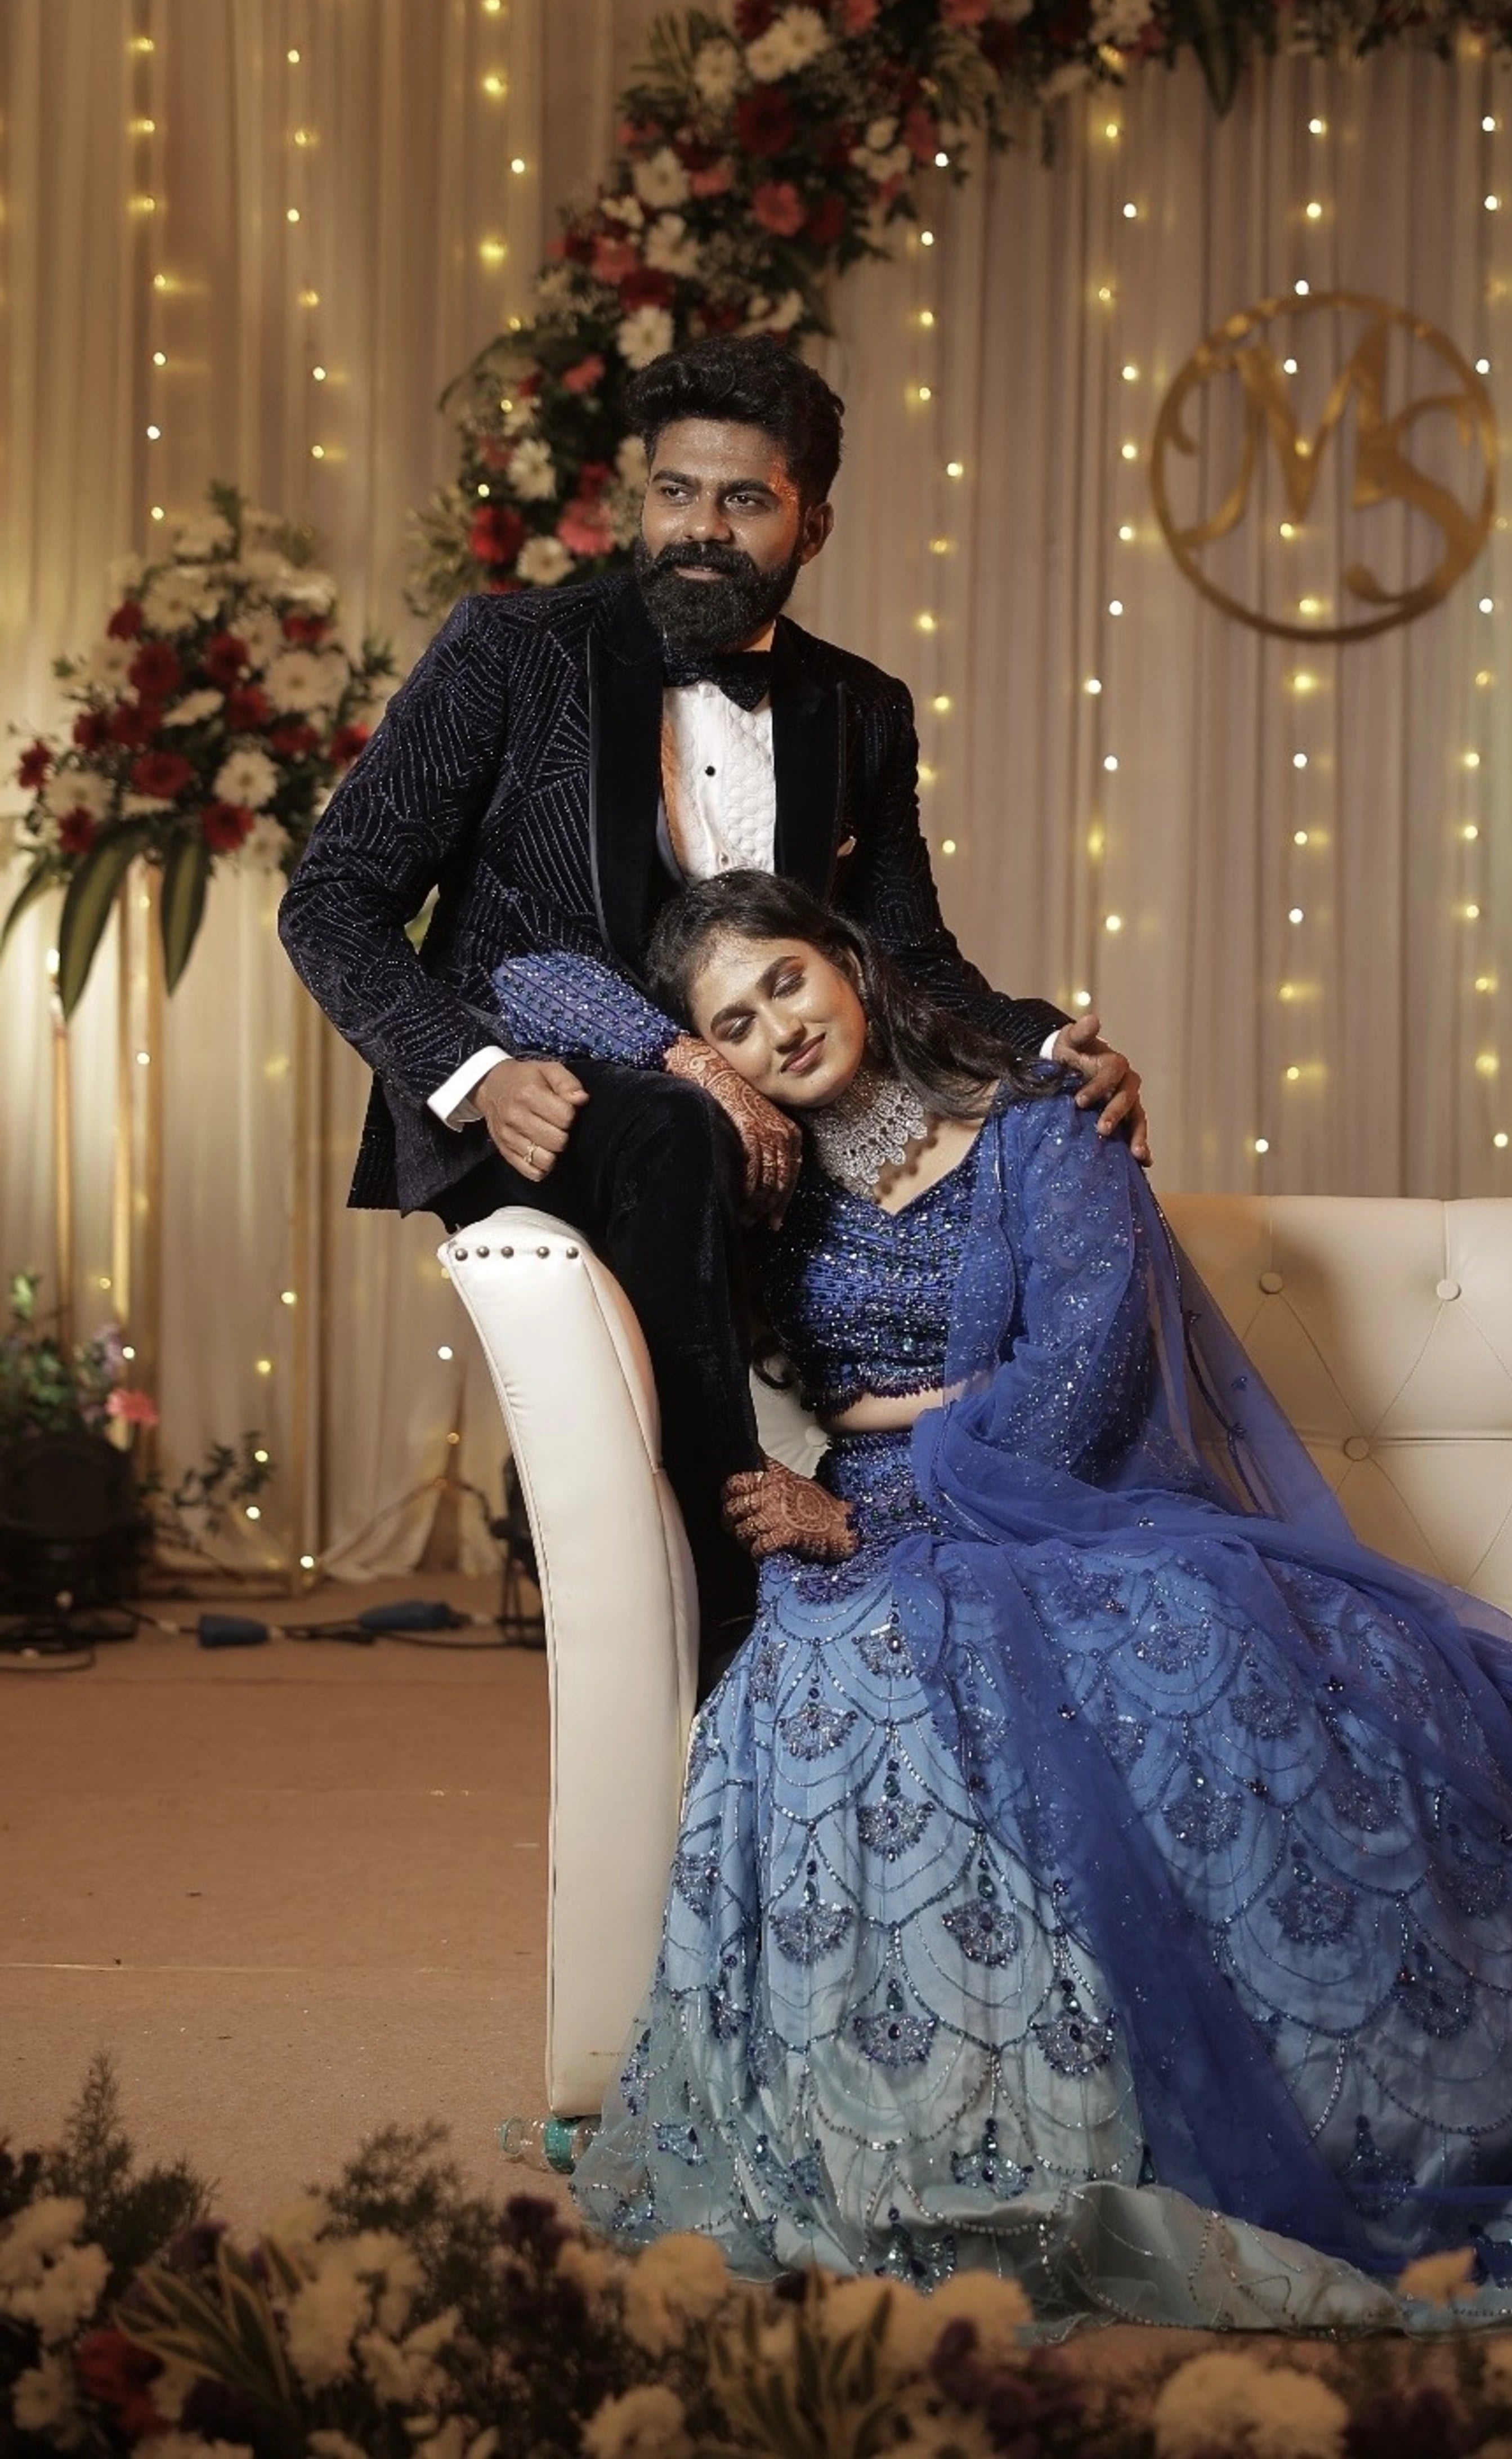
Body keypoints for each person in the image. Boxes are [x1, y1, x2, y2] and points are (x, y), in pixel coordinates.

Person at [489, 873, 1512, 2334]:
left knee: (1199, 1659)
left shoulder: (1041, 1127)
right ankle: (929, 2151)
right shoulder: (750, 1173)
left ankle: (1270, 2147)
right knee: (823, 1684)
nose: (774, 1031)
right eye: (732, 1023)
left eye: (788, 983)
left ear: (853, 967)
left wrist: (882, 1487)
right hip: (865, 1528)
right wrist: (680, 1065)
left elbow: (1084, 1385)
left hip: (1062, 1510)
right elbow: (522, 979)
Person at [278, 336, 1144, 1683]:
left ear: (812, 520)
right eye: (674, 492)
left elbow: (907, 955)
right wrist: (467, 1073)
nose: (698, 527)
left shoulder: (859, 707)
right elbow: (328, 899)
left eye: (741, 500)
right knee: (679, 1133)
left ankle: (946, 1534)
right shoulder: (510, 649)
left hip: (743, 1099)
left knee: (1010, 1152)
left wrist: (1047, 1043)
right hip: (533, 1090)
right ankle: (726, 1615)